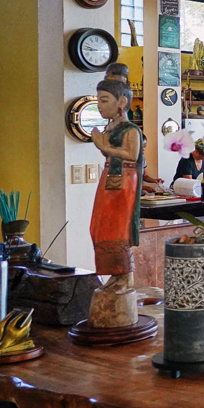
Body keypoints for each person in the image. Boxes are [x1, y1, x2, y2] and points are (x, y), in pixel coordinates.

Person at [87, 77, 144, 327]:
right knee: (99, 227)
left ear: (121, 102)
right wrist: (103, 145)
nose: (99, 105)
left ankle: (124, 277)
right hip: (110, 177)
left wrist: (103, 145)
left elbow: (132, 154)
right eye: (98, 100)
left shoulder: (131, 129)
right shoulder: (111, 127)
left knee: (117, 227)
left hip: (124, 182)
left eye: (104, 100)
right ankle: (114, 274)